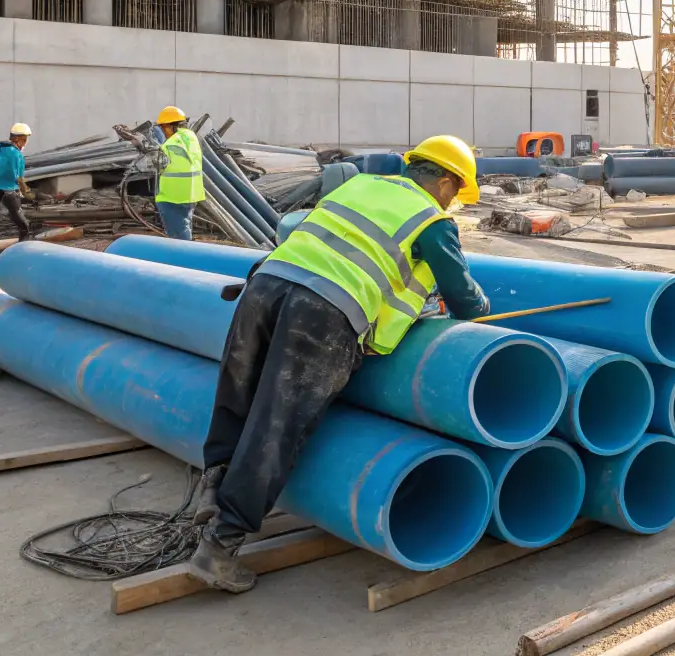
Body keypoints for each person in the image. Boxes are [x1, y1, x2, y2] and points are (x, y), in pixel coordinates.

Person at [189, 134, 489, 593]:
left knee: (238, 391)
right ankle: (220, 546)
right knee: (279, 424)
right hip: (322, 313)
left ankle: (212, 487)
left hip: (266, 284)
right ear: (446, 181)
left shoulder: (358, 186)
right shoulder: (433, 221)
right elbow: (466, 301)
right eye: (457, 193)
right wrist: (477, 304)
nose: (454, 203)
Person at [153, 105, 206, 241]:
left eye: (164, 127)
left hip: (173, 196)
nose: (164, 131)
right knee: (184, 228)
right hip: (190, 193)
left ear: (174, 126)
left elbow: (155, 161)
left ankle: (182, 260)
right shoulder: (190, 136)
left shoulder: (172, 143)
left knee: (178, 237)